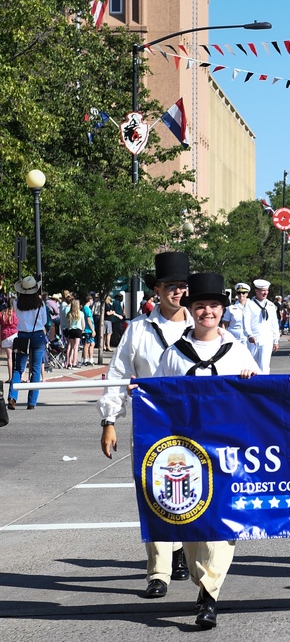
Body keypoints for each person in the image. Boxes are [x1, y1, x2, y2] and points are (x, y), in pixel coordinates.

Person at [154, 271, 258, 629]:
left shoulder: (238, 352)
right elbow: (159, 399)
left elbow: (262, 402)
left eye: (213, 305)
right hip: (186, 453)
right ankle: (203, 582)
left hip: (228, 452)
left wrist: (251, 382)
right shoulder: (174, 355)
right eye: (200, 306)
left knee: (222, 526)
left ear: (222, 311)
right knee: (193, 527)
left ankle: (210, 595)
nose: (207, 312)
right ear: (191, 309)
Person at [98, 252, 193, 598]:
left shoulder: (200, 324)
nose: (177, 292)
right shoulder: (138, 329)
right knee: (154, 493)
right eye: (170, 287)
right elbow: (118, 374)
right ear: (157, 290)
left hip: (193, 423)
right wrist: (109, 420)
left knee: (191, 489)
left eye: (182, 286)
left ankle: (181, 548)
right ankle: (158, 572)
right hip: (151, 424)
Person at [8, 276, 48, 411]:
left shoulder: (17, 303)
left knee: (18, 368)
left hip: (22, 335)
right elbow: (44, 321)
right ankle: (31, 402)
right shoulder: (40, 304)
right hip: (37, 335)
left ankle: (12, 397)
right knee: (36, 369)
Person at [246, 279, 280, 374]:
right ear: (256, 291)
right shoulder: (249, 304)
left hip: (267, 338)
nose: (265, 293)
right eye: (263, 290)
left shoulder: (270, 305)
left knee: (264, 366)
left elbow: (274, 324)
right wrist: (249, 335)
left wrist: (276, 340)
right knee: (252, 365)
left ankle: (265, 382)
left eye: (266, 290)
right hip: (254, 339)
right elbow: (246, 322)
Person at [223, 282, 253, 347]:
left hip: (248, 337)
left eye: (243, 293)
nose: (241, 295)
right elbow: (225, 324)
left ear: (247, 294)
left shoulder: (253, 307)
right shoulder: (231, 308)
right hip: (233, 336)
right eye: (239, 293)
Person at [64, 299, 85, 369]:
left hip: (71, 330)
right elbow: (83, 323)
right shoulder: (81, 313)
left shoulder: (69, 314)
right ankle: (74, 362)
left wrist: (69, 329)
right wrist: (83, 330)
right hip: (78, 330)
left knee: (71, 347)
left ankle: (69, 362)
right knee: (76, 347)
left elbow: (68, 324)